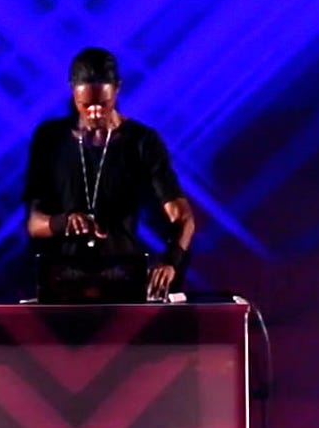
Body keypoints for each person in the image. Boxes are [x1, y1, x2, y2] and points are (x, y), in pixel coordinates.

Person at [24, 47, 198, 298]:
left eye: (103, 104)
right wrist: (64, 222)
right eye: (86, 105)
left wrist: (170, 261)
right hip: (62, 283)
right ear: (73, 92)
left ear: (117, 89)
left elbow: (183, 218)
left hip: (122, 279)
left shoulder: (142, 141)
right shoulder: (50, 139)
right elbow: (34, 224)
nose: (95, 112)